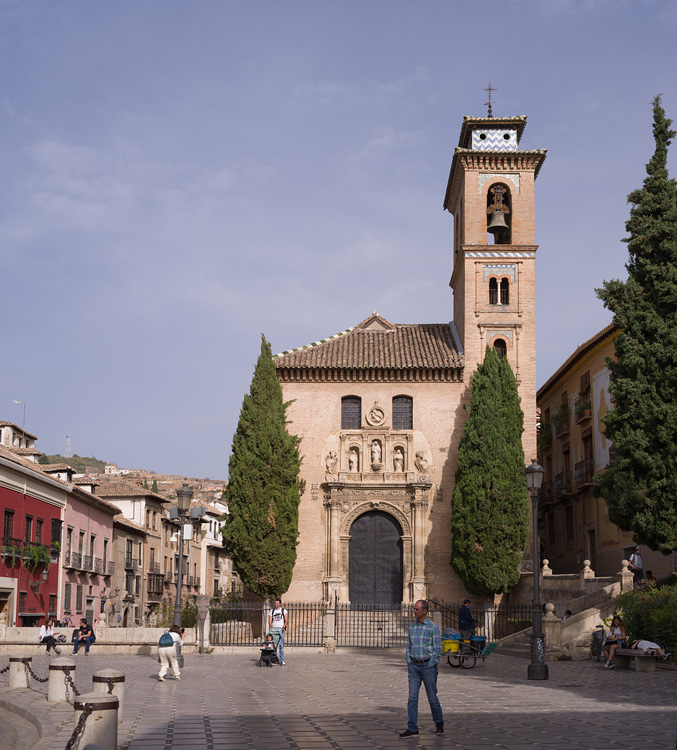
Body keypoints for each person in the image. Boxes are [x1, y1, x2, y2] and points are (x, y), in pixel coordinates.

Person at [400, 600, 444, 738]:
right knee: (412, 698)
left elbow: (438, 649)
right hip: (413, 666)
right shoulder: (412, 627)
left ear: (425, 611)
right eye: (414, 609)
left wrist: (431, 663)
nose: (414, 611)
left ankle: (439, 723)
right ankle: (412, 728)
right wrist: (408, 660)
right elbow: (409, 645)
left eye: (417, 609)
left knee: (432, 697)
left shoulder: (432, 627)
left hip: (427, 667)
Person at [268, 598, 288, 665]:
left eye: (277, 603)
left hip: (280, 630)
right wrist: (272, 628)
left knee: (281, 645)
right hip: (274, 630)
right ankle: (274, 660)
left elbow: (286, 620)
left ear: (280, 604)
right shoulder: (272, 611)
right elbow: (270, 621)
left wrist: (283, 627)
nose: (276, 604)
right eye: (275, 603)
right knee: (274, 645)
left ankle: (282, 660)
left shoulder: (283, 611)